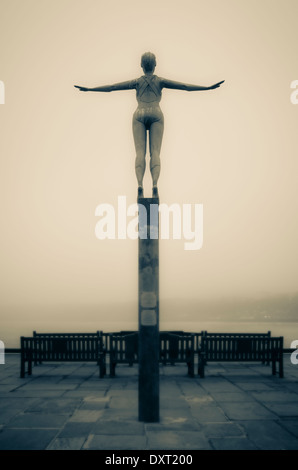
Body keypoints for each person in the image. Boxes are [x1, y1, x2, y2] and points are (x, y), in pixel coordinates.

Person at [75, 52, 224, 198]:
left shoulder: (136, 82)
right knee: (155, 153)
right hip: (156, 114)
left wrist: (90, 89)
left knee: (140, 153)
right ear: (155, 64)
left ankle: (139, 184)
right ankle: (154, 184)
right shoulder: (160, 81)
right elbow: (185, 86)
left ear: (141, 65)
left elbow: (112, 87)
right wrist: (207, 87)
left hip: (139, 114)